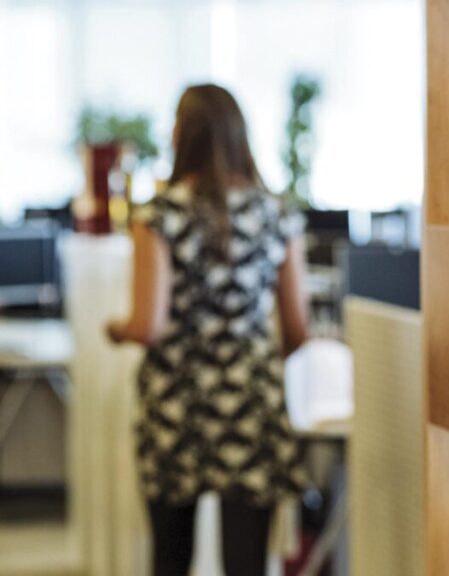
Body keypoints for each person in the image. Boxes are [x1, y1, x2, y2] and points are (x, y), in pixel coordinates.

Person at [106, 83, 309, 576]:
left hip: (177, 405)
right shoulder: (276, 214)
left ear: (182, 135)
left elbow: (148, 326)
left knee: (171, 558)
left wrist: (116, 329)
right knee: (247, 563)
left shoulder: (159, 216)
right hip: (251, 403)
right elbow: (297, 329)